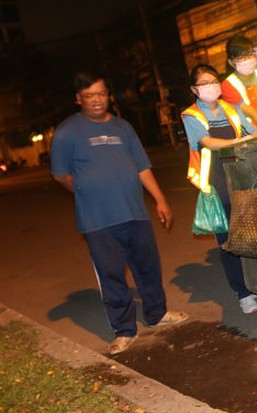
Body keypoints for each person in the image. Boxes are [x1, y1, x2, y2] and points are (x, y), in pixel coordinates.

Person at [51, 72, 189, 355]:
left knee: (148, 267)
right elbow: (62, 176)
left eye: (101, 93)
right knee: (111, 275)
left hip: (135, 213)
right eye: (89, 95)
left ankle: (157, 313)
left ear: (108, 96)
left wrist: (160, 200)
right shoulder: (67, 132)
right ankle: (124, 329)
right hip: (98, 221)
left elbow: (142, 167)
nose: (97, 100)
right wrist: (91, 189)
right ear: (78, 100)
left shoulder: (123, 127)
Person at [181, 64, 257, 314]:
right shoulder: (191, 115)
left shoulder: (231, 107)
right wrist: (237, 142)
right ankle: (243, 292)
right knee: (228, 241)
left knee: (253, 235)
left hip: (241, 180)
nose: (210, 86)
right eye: (203, 83)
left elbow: (254, 130)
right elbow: (206, 142)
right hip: (217, 184)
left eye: (213, 81)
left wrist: (256, 136)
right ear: (194, 89)